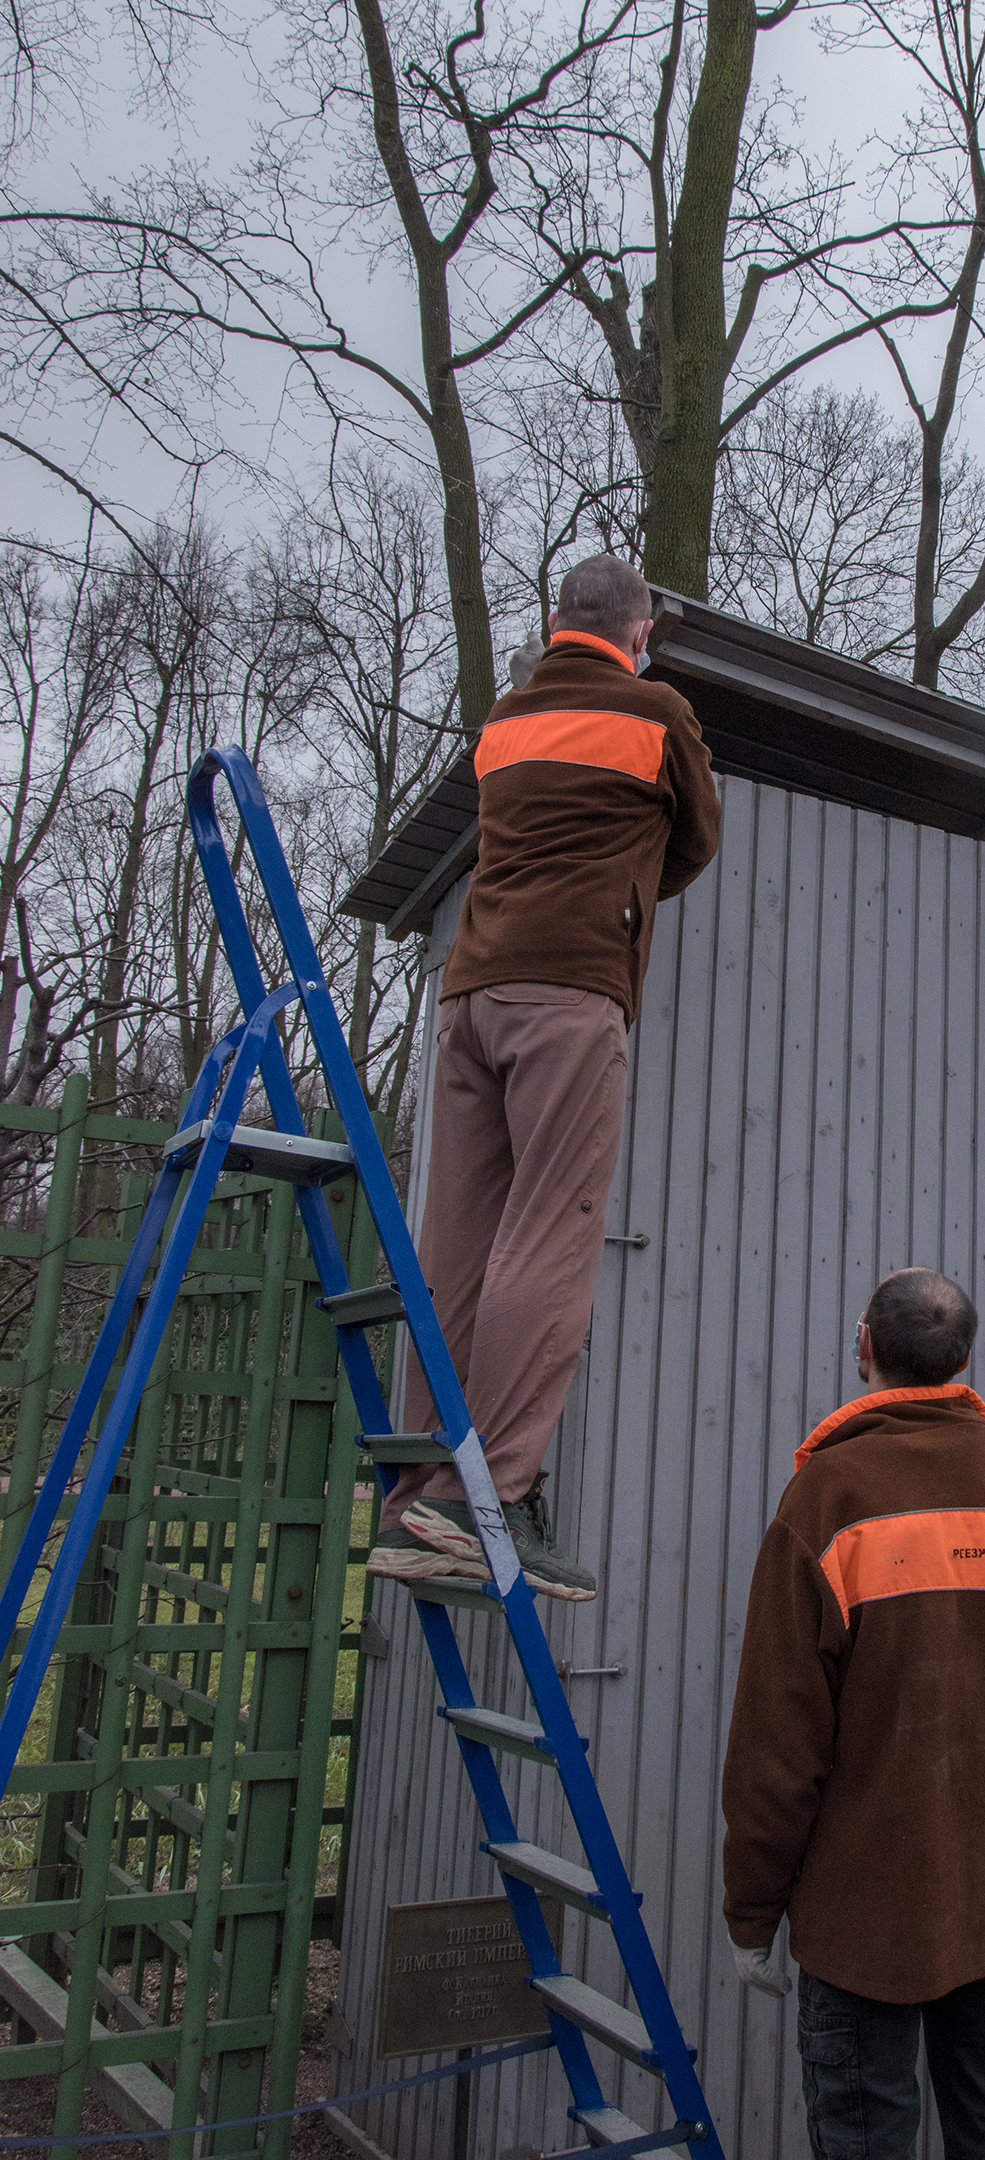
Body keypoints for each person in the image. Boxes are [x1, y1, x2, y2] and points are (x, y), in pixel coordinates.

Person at [367, 554, 721, 1600]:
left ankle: (418, 1491)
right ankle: (490, 1496)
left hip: (468, 995)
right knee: (551, 1232)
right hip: (570, 993)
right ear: (641, 630)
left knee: (456, 1243)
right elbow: (696, 842)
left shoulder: (504, 722)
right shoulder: (659, 712)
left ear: (560, 622)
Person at [720, 1268, 985, 2160]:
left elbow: (778, 1737)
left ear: (865, 1347)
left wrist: (752, 1913)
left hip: (860, 1922)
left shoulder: (829, 1496)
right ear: (964, 1362)